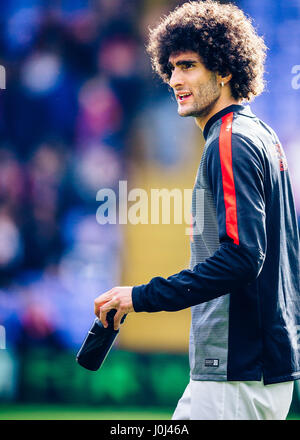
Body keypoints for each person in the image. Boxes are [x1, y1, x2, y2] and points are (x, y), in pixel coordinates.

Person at [94, 0, 300, 420]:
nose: (175, 80)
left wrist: (141, 296)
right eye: (170, 68)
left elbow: (243, 257)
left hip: (235, 374)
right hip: (254, 371)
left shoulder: (229, 140)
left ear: (225, 70)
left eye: (188, 66)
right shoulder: (259, 134)